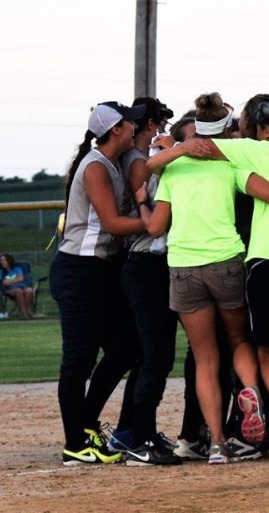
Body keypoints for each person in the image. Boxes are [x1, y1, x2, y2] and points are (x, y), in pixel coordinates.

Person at [143, 94, 269, 464]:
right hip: (227, 261)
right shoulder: (231, 162)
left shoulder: (173, 169)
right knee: (238, 340)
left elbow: (155, 222)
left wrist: (173, 155)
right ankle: (250, 390)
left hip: (183, 264)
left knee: (204, 359)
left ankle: (215, 443)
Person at [50, 100, 146, 466]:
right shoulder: (95, 167)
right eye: (128, 123)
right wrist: (156, 223)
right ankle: (76, 441)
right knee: (78, 360)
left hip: (99, 272)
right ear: (116, 129)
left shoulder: (112, 162)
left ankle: (86, 425)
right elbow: (113, 223)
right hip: (80, 270)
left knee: (125, 347)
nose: (134, 128)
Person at [106, 96, 181, 466]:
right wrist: (181, 149)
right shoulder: (139, 161)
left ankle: (133, 432)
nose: (161, 129)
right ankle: (139, 437)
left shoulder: (145, 158)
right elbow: (143, 177)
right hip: (146, 263)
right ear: (152, 124)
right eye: (159, 122)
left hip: (157, 265)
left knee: (156, 356)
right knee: (155, 355)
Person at [0, 254, 34, 319]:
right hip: (8, 289)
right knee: (18, 291)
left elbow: (21, 278)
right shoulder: (0, 272)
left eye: (4, 260)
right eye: (1, 260)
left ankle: (28, 310)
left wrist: (9, 281)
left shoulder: (17, 269)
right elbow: (2, 282)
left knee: (29, 290)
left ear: (9, 261)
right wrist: (15, 280)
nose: (2, 262)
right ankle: (24, 314)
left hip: (21, 286)